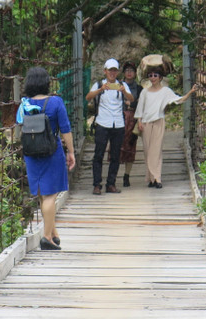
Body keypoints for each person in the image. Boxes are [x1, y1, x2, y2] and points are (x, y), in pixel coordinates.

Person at [17, 66, 75, 250]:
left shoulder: (24, 103)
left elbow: (20, 123)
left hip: (31, 152)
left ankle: (53, 232)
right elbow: (65, 129)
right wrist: (71, 152)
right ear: (46, 83)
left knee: (43, 194)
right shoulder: (56, 102)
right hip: (52, 150)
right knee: (51, 195)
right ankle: (47, 238)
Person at [134, 68, 197, 188]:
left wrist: (190, 92)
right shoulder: (145, 92)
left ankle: (157, 178)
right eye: (150, 75)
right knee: (148, 151)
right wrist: (139, 121)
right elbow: (140, 108)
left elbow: (179, 100)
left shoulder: (165, 91)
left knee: (156, 150)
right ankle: (151, 179)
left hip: (158, 122)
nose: (153, 78)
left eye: (155, 75)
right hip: (146, 123)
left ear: (160, 77)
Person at [85, 58, 133, 195]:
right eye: (110, 70)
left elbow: (131, 99)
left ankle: (111, 183)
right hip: (102, 123)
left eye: (114, 70)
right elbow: (88, 97)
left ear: (117, 72)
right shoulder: (99, 84)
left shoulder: (122, 85)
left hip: (118, 123)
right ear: (105, 71)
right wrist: (100, 89)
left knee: (115, 155)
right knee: (98, 154)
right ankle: (97, 184)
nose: (112, 73)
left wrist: (124, 92)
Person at [119, 61, 143, 187]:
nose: (129, 73)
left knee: (130, 146)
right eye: (127, 70)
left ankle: (126, 175)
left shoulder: (139, 89)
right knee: (116, 146)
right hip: (119, 118)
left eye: (131, 71)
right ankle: (113, 175)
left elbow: (141, 104)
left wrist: (132, 104)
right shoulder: (117, 86)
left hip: (133, 119)